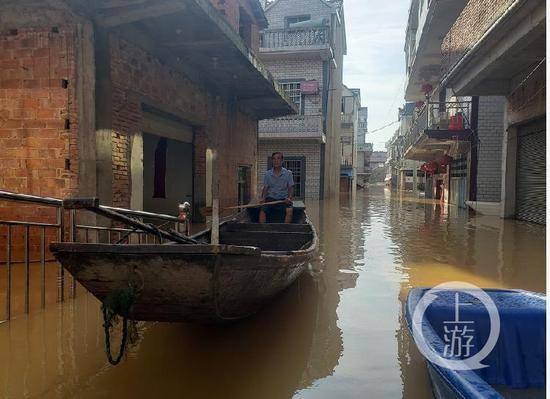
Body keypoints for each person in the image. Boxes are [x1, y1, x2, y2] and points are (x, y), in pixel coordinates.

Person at [259, 152, 294, 224]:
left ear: (282, 161)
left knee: (289, 211)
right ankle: (262, 231)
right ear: (272, 161)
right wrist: (263, 199)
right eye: (274, 159)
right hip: (270, 198)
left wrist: (289, 198)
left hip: (283, 199)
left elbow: (291, 187)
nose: (276, 161)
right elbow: (265, 188)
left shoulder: (288, 173)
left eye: (278, 158)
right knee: (262, 211)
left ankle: (284, 231)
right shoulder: (267, 174)